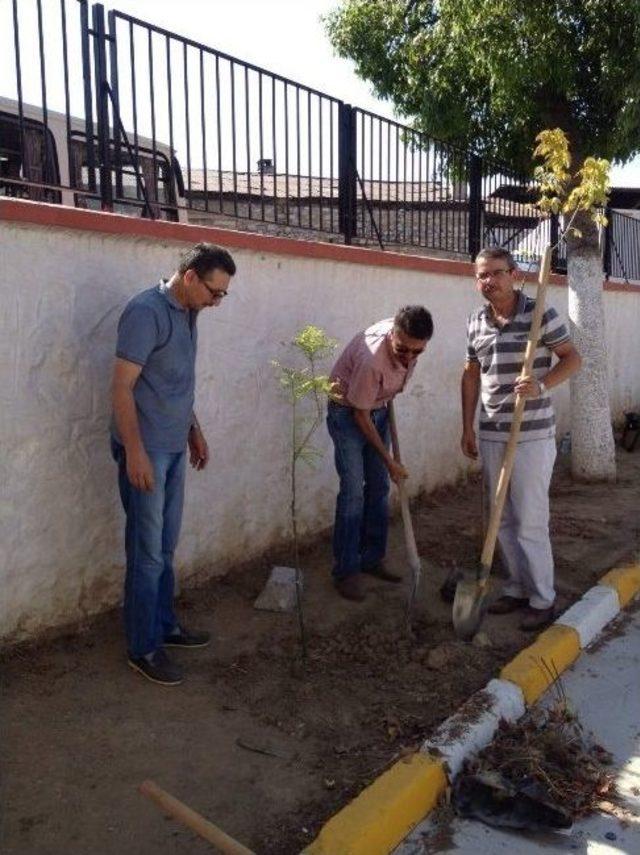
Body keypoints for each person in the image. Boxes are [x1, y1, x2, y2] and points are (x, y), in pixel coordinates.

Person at [110, 242, 236, 685]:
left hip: (174, 445)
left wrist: (193, 430)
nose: (217, 302)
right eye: (214, 292)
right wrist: (136, 451)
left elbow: (175, 383)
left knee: (164, 547)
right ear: (189, 277)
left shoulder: (189, 313)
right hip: (146, 450)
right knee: (146, 554)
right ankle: (142, 647)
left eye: (223, 295)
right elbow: (122, 388)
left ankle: (164, 626)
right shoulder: (146, 312)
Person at [461, 247, 581, 631]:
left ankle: (543, 598)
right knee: (504, 519)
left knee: (529, 518)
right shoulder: (476, 322)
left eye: (496, 273)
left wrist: (541, 386)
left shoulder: (539, 313)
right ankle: (515, 587)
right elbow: (470, 376)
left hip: (530, 435)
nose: (488, 282)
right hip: (493, 430)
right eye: (482, 275)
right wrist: (467, 426)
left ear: (513, 274)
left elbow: (572, 358)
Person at [327, 306, 434, 601]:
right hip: (349, 414)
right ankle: (346, 570)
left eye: (417, 352)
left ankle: (371, 558)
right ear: (392, 335)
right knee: (353, 492)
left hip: (378, 408)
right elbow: (360, 416)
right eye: (403, 350)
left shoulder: (406, 336)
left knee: (379, 487)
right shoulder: (372, 360)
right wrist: (390, 461)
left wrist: (387, 466)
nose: (409, 358)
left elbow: (380, 399)